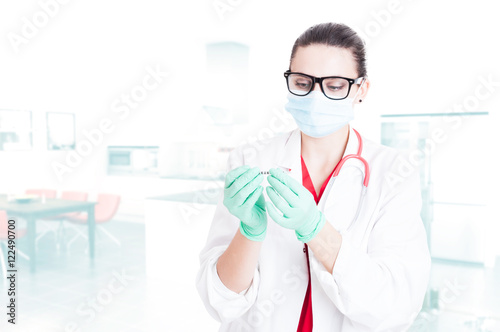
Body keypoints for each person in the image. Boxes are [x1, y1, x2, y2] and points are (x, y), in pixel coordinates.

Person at [196, 22, 431, 331]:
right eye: (303, 82)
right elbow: (220, 300)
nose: (316, 97)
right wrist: (249, 233)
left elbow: (395, 306)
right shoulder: (250, 160)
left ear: (361, 90)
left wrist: (315, 229)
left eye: (334, 86)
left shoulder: (393, 173)